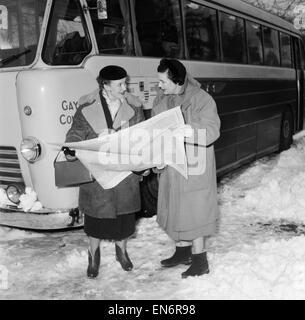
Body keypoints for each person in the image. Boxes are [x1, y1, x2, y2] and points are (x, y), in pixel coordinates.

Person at [65, 65, 145, 278]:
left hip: (124, 173)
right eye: (119, 84)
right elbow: (75, 132)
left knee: (124, 220)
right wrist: (71, 145)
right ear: (105, 86)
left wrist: (142, 158)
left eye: (124, 83)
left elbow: (142, 137)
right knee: (95, 221)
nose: (124, 87)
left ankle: (122, 251)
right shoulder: (86, 107)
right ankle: (94, 254)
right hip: (97, 174)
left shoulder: (134, 107)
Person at [152, 58, 221, 278]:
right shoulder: (161, 99)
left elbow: (212, 131)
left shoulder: (202, 99)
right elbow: (156, 131)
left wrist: (187, 130)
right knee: (174, 207)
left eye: (162, 81)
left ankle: (200, 261)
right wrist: (157, 155)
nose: (159, 85)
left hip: (194, 166)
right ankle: (182, 252)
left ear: (177, 80)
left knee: (195, 212)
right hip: (172, 165)